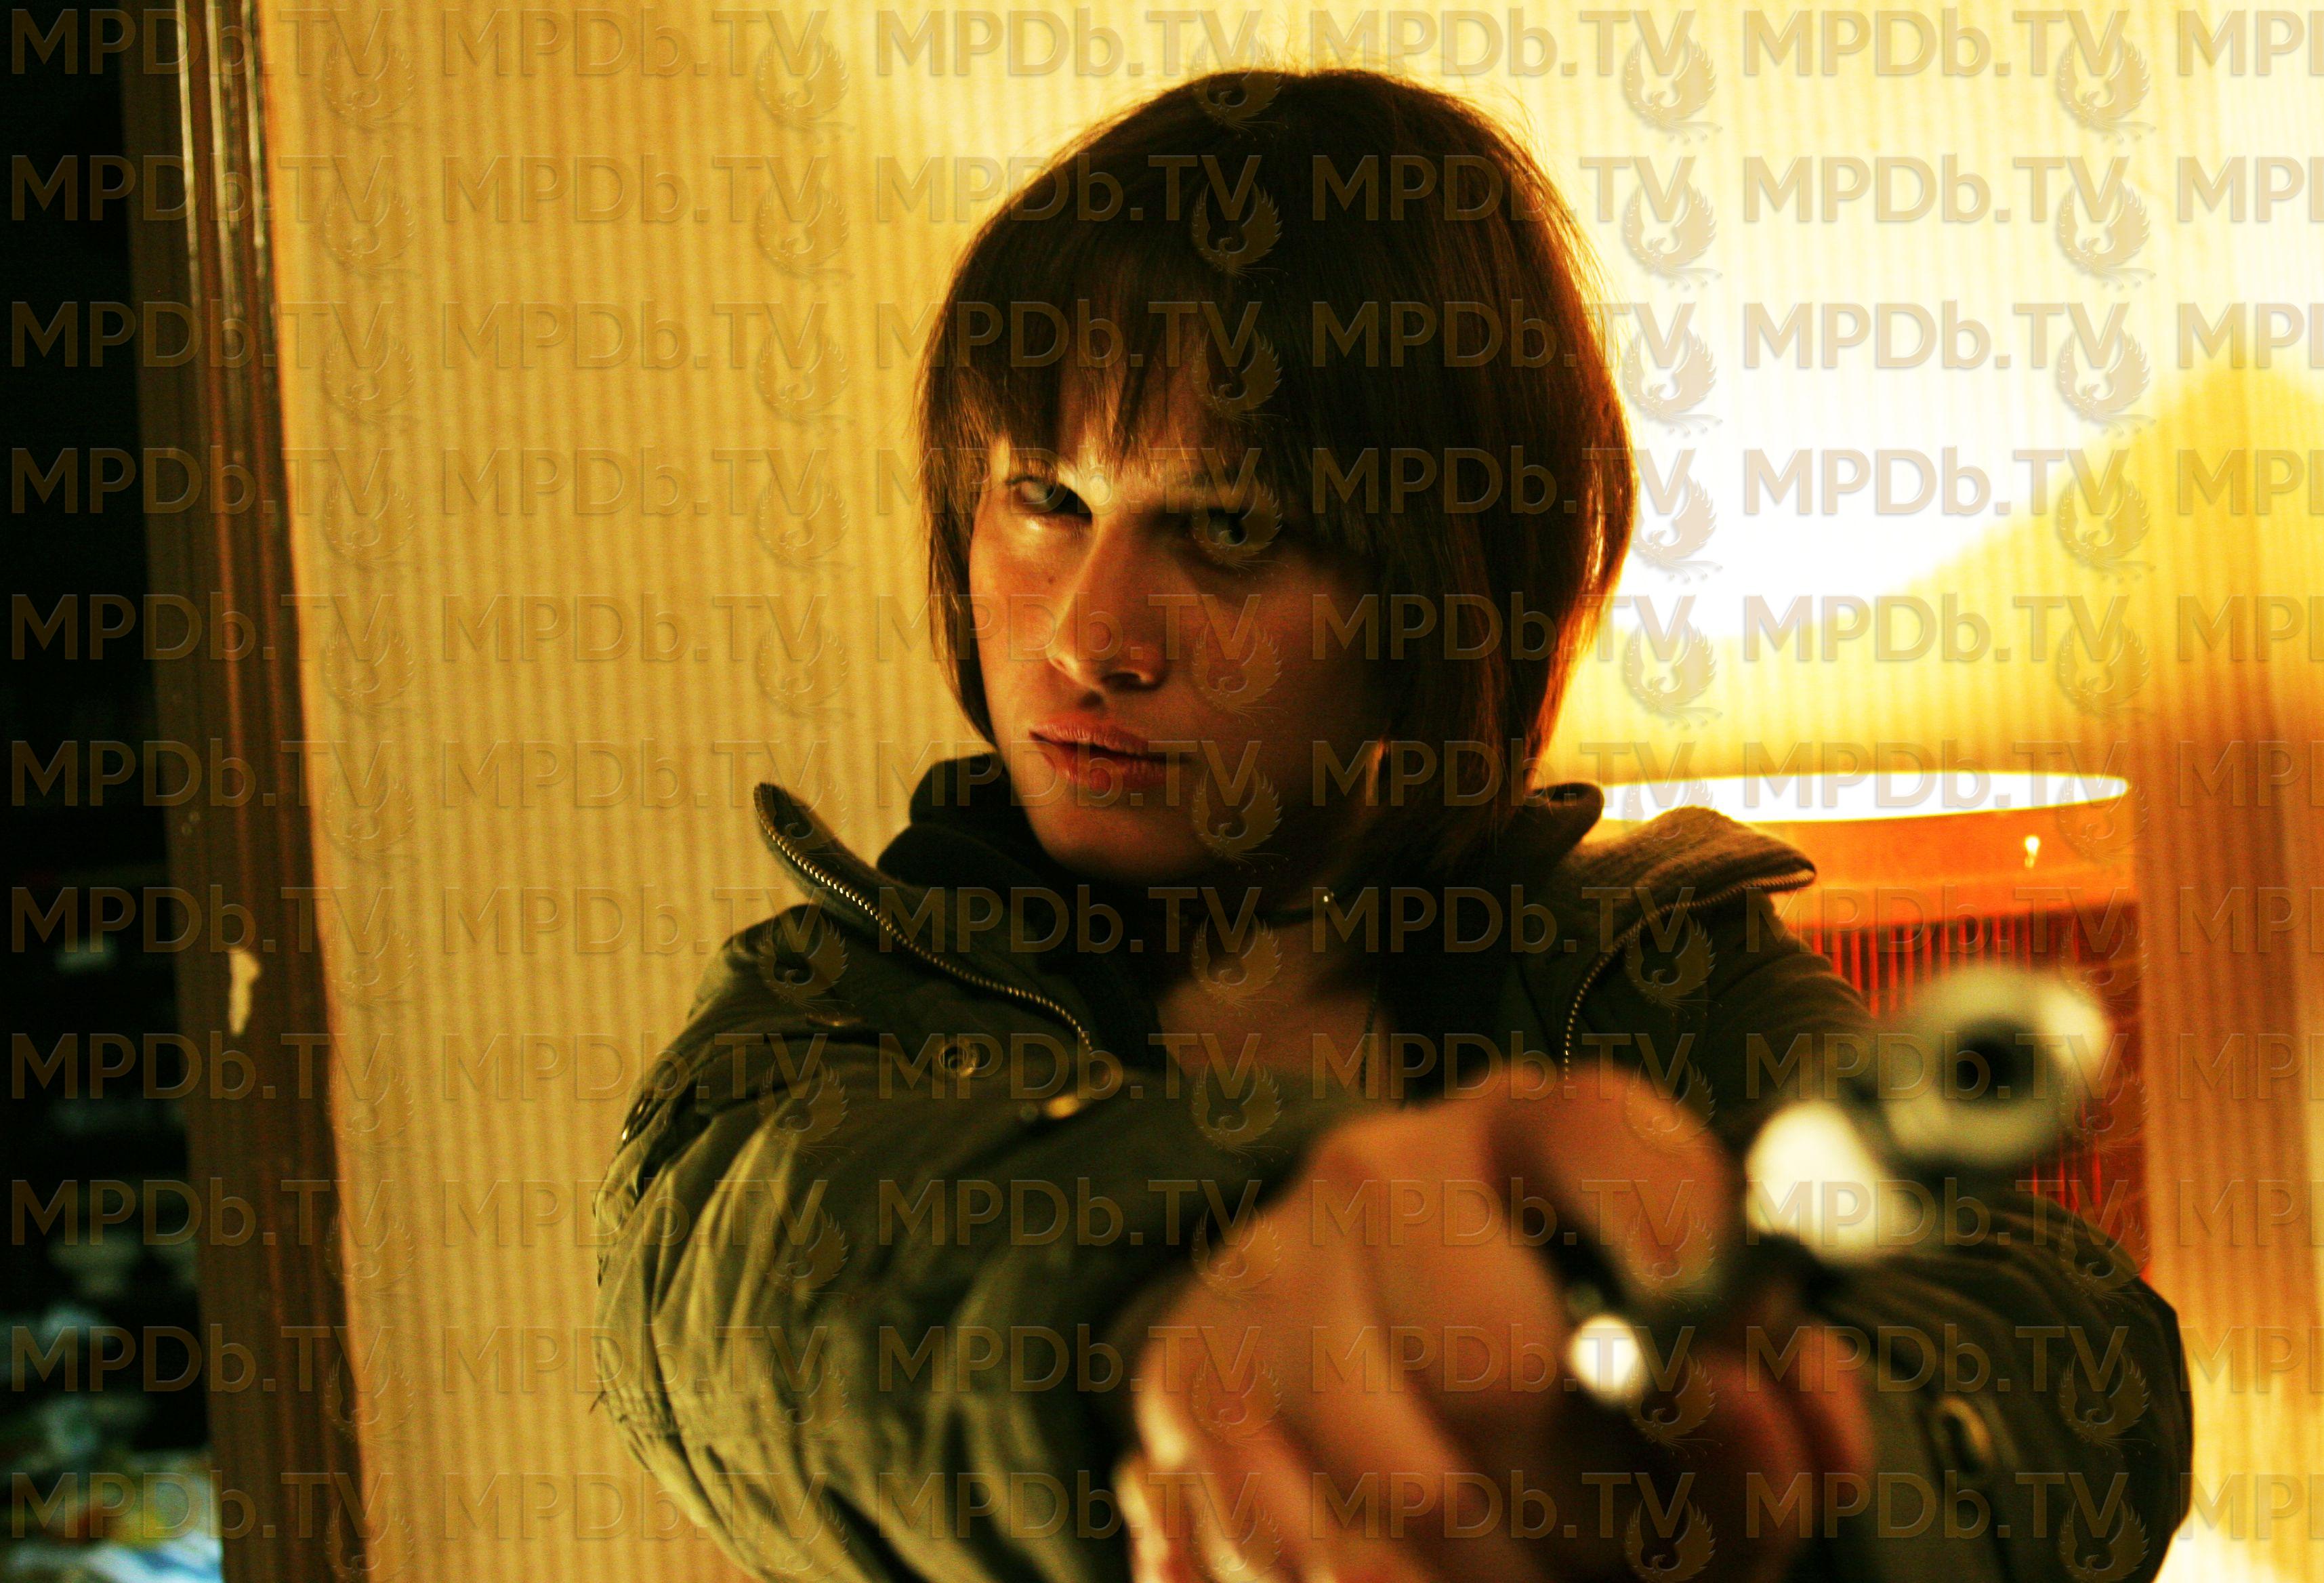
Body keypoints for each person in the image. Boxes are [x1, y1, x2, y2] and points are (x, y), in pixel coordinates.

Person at [592, 68, 2191, 1583]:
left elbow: (2065, 1361)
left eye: (1227, 525)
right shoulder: (828, 1015)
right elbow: (755, 1295)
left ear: (1443, 591)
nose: (1091, 634)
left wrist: (1774, 1466)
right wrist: (1189, 1307)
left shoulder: (1653, 972)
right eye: (1047, 500)